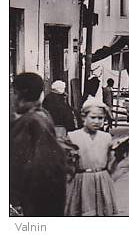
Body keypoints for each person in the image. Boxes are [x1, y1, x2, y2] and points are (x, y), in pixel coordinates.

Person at [10, 73, 68, 216]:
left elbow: (22, 163)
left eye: (13, 92)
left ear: (18, 94)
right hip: (48, 194)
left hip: (35, 197)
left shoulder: (31, 121)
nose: (12, 97)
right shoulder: (42, 114)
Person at [64, 99, 118, 216]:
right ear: (83, 117)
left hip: (102, 181)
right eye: (93, 117)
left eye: (101, 118)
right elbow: (68, 166)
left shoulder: (106, 137)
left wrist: (118, 155)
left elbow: (110, 166)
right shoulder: (73, 137)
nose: (97, 121)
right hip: (82, 182)